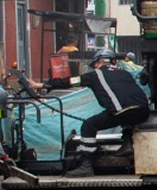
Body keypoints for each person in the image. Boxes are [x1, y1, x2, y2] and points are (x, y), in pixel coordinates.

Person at [32, 47, 150, 177]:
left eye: (95, 64)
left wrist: (42, 85)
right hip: (143, 111)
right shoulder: (124, 73)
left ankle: (86, 165)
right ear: (114, 62)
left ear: (99, 61)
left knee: (89, 126)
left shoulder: (95, 75)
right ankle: (127, 143)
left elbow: (69, 82)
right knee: (127, 117)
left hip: (123, 111)